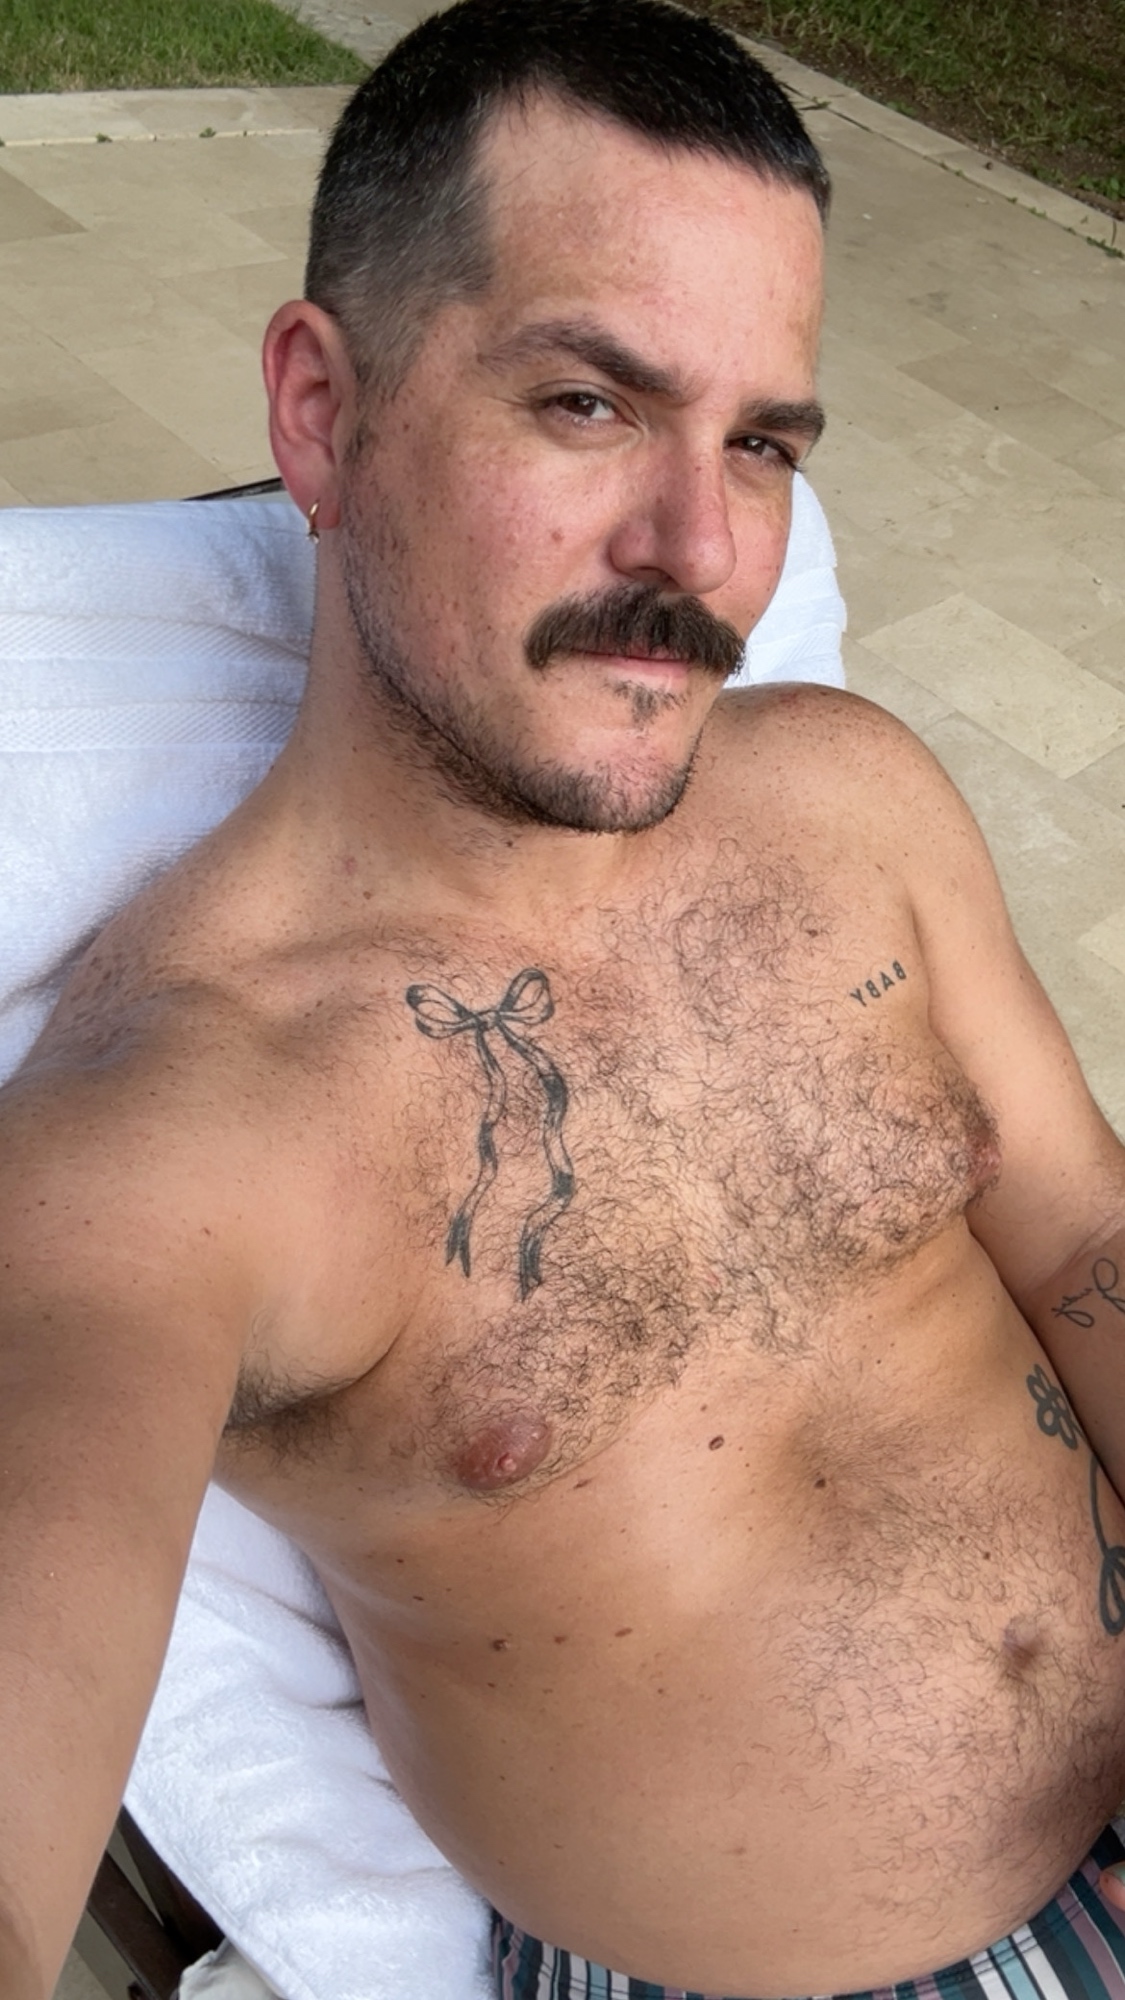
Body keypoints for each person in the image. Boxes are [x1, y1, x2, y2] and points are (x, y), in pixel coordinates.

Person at [5, 3, 1125, 1998]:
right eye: (589, 404)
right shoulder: (172, 1131)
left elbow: (1079, 1234)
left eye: (760, 444)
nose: (703, 553)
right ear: (320, 412)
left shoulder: (846, 795)